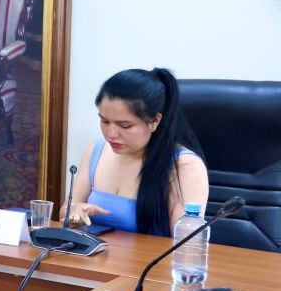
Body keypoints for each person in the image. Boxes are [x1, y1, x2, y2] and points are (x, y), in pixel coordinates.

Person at [68, 68, 209, 236]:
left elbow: (185, 244)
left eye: (125, 125)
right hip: (92, 259)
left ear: (154, 121)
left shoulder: (184, 166)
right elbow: (67, 210)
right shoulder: (96, 150)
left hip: (148, 261)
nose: (111, 134)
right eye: (104, 121)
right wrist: (75, 211)